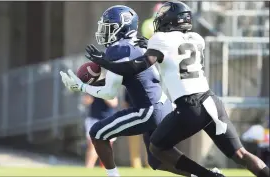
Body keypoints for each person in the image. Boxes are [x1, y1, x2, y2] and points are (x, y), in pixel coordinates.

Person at [84, 1, 270, 177]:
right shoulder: (197, 39)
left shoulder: (160, 39)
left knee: (157, 147)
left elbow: (136, 67)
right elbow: (174, 50)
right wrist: (148, 45)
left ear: (170, 19)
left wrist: (104, 62)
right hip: (212, 101)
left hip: (190, 106)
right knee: (241, 154)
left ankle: (205, 175)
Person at [60, 5, 223, 177]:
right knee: (157, 160)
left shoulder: (119, 48)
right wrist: (97, 80)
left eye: (109, 27)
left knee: (97, 133)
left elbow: (109, 93)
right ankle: (207, 175)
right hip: (163, 105)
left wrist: (82, 87)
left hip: (147, 110)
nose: (104, 31)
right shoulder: (139, 43)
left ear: (121, 27)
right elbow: (129, 76)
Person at [82, 94, 118, 168]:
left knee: (106, 149)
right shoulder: (92, 85)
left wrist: (102, 93)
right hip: (94, 120)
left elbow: (114, 103)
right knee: (93, 146)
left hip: (108, 120)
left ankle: (106, 170)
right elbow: (86, 101)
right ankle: (88, 169)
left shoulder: (110, 87)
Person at [122, 90, 149, 168]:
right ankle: (144, 165)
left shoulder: (129, 85)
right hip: (142, 117)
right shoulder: (147, 84)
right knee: (146, 143)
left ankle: (138, 165)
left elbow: (125, 104)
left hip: (136, 117)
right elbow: (126, 104)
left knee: (141, 144)